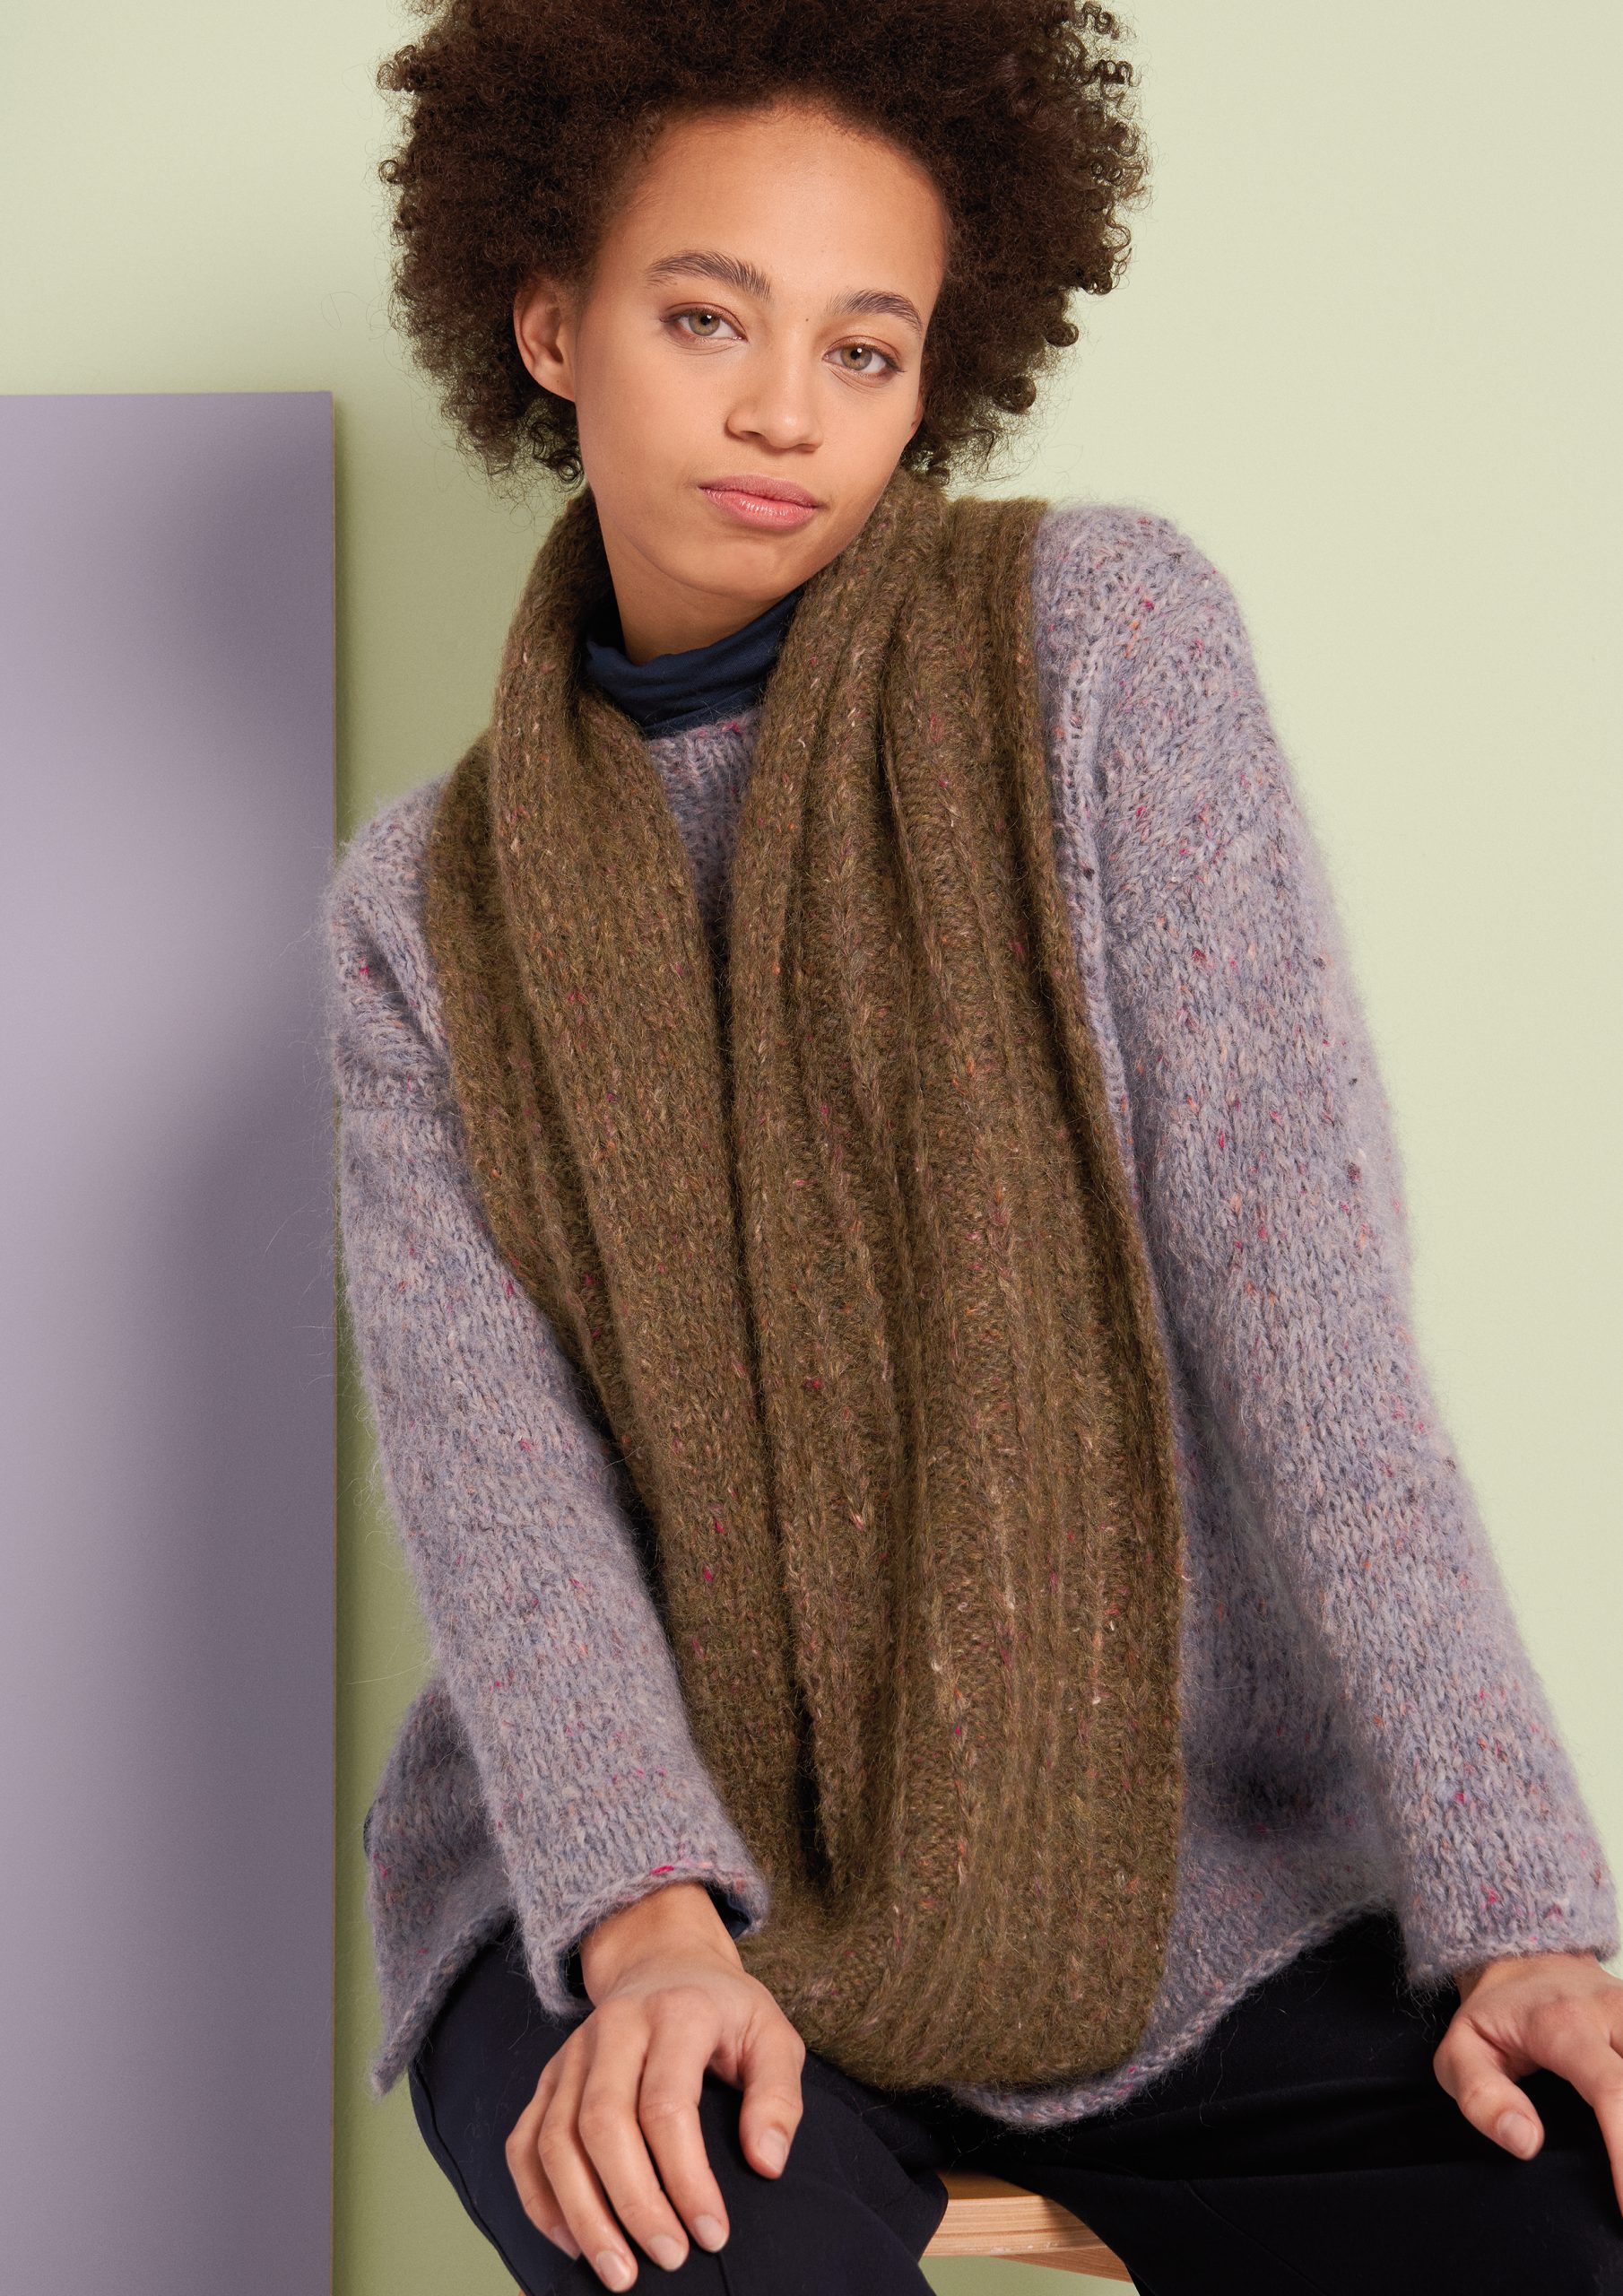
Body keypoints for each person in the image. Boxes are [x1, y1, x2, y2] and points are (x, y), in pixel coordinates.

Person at [323, 3, 1623, 2289]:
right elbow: (503, 1496)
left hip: (1162, 1851)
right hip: (643, 1864)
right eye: (704, 317)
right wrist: (646, 1929)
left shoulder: (1100, 650)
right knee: (702, 2245)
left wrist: (1523, 1906)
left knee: (1555, 2216)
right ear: (547, 323)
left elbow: (1304, 1319)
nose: (782, 412)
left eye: (864, 348)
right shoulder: (418, 913)